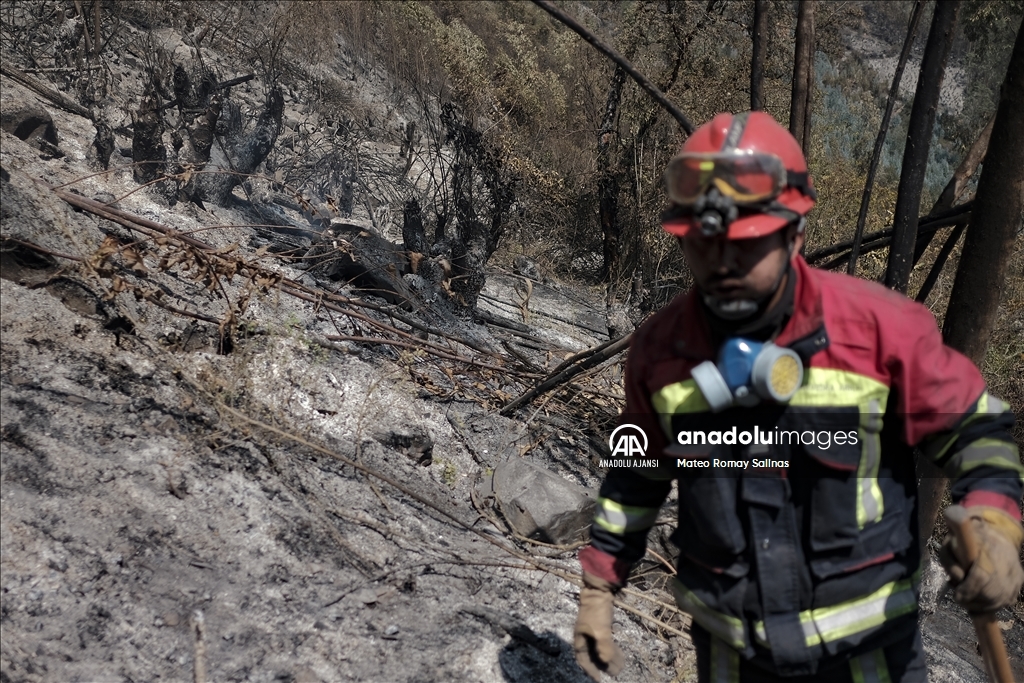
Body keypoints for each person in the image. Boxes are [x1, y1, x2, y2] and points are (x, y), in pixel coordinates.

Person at [572, 111, 1024, 682]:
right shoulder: (663, 352)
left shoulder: (879, 331)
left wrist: (995, 522)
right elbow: (633, 477)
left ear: (795, 234)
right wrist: (598, 588)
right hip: (733, 653)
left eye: (747, 243)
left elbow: (976, 430)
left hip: (867, 657)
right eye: (705, 244)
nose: (722, 263)